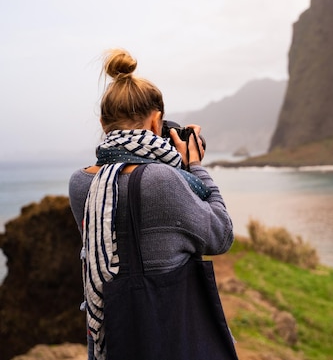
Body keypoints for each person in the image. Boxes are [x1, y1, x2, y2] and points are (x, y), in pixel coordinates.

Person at [68, 48, 235, 360]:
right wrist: (195, 165)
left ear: (104, 123)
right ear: (157, 122)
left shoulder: (81, 184)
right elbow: (221, 234)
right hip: (169, 339)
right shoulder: (163, 180)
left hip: (112, 342)